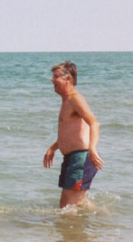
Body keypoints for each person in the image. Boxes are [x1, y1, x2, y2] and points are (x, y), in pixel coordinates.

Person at [43, 61, 104, 208]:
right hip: (72, 158)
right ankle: (102, 223)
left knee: (67, 207)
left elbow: (94, 123)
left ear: (68, 79)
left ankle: (96, 226)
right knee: (76, 205)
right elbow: (71, 132)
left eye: (55, 76)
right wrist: (53, 147)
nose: (52, 80)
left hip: (80, 158)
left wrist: (93, 149)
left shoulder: (75, 98)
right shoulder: (66, 101)